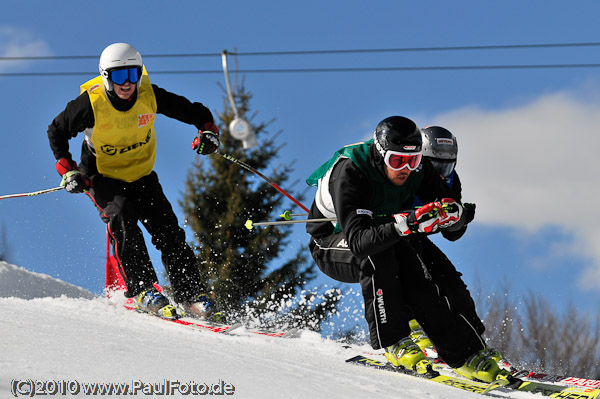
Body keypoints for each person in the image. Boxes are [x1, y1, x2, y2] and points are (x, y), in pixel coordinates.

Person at [306, 116, 509, 383]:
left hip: (388, 234)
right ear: (380, 156)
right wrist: (407, 224)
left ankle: (465, 352)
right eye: (397, 161)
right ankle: (395, 341)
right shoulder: (351, 171)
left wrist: (455, 215)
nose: (405, 169)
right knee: (380, 256)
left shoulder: (419, 170)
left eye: (412, 161)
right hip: (332, 241)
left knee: (429, 273)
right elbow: (358, 241)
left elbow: (447, 211)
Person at [47, 43, 222, 321]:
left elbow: (193, 111)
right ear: (106, 77)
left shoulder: (148, 95)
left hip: (142, 176)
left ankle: (192, 295)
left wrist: (208, 132)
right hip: (102, 177)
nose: (127, 83)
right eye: (118, 76)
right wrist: (68, 170)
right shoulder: (90, 104)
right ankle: (143, 291)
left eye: (132, 74)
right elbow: (56, 131)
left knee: (169, 232)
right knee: (124, 222)